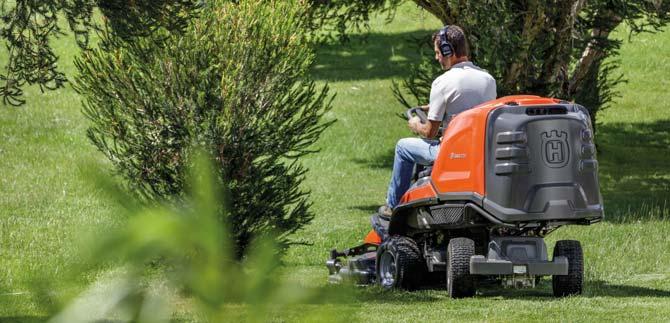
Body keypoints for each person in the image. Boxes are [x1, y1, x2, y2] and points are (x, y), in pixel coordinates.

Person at [379, 25, 497, 216]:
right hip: (479, 152)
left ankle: (392, 207)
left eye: (437, 52)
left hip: (451, 154)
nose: (436, 58)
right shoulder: (488, 79)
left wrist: (415, 124)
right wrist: (434, 106)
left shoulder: (443, 82)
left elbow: (429, 132)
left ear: (447, 51)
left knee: (403, 147)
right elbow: (468, 106)